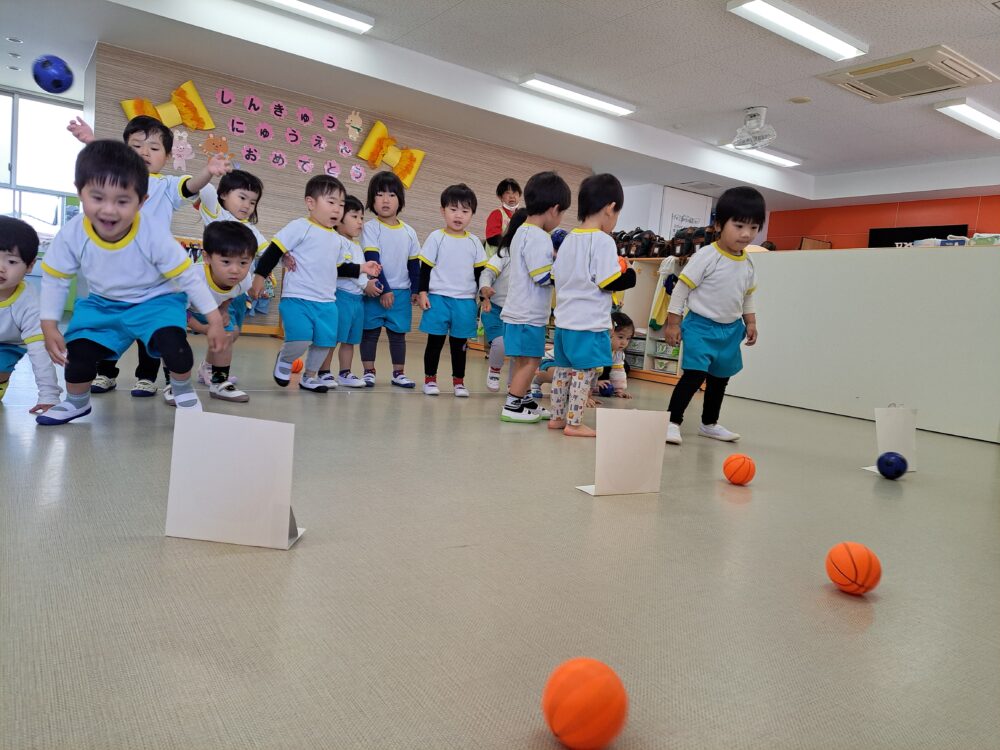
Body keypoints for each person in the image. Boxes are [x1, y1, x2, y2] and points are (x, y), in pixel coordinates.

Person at [37, 140, 225, 425]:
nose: (109, 211)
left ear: (142, 201)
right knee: (78, 353)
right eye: (97, 198)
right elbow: (56, 277)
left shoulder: (152, 233)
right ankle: (76, 402)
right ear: (80, 191)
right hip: (102, 305)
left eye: (122, 201)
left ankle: (182, 388)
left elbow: (187, 276)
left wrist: (214, 319)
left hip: (155, 301)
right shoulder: (73, 232)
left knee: (175, 348)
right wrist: (49, 323)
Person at [67, 115, 229, 397]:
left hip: (153, 280)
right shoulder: (118, 178)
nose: (144, 152)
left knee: (152, 331)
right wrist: (90, 140)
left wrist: (208, 171)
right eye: (136, 146)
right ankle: (106, 374)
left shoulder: (166, 185)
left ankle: (146, 377)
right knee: (108, 328)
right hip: (114, 275)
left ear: (167, 157)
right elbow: (104, 160)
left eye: (154, 148)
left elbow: (191, 186)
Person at [249, 175, 380, 394]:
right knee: (300, 339)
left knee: (325, 342)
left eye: (341, 204)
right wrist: (259, 278)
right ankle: (285, 358)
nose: (337, 209)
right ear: (310, 203)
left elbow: (338, 268)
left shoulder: (337, 239)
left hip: (327, 302)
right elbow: (274, 251)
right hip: (297, 298)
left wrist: (362, 268)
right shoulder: (300, 227)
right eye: (331, 202)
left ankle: (309, 377)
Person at [663, 186, 763, 445]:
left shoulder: (748, 263)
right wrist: (673, 323)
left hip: (730, 330)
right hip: (700, 326)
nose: (746, 234)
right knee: (694, 375)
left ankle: (709, 424)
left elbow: (747, 295)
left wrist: (751, 322)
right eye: (739, 225)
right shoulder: (707, 256)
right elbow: (682, 288)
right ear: (719, 225)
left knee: (720, 379)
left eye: (753, 227)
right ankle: (672, 422)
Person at [548, 174, 636, 437]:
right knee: (584, 373)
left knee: (563, 371)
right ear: (610, 208)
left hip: (564, 323)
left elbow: (555, 276)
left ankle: (557, 418)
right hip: (588, 324)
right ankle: (574, 423)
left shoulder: (569, 239)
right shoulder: (603, 241)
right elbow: (609, 281)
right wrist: (630, 273)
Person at [498, 172, 571, 423]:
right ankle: (512, 405)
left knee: (524, 360)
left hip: (519, 312)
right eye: (562, 214)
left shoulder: (522, 231)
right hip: (527, 315)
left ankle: (524, 400)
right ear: (554, 209)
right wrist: (564, 268)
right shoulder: (539, 237)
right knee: (531, 361)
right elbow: (542, 277)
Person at [194, 169, 268, 385]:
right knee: (224, 332)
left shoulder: (250, 230)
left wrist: (286, 256)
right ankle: (216, 375)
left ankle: (209, 367)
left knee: (232, 333)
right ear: (224, 194)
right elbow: (205, 188)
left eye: (252, 202)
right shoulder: (216, 213)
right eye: (242, 197)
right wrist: (211, 170)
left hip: (235, 290)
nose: (247, 205)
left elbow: (267, 251)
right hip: (210, 286)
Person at [175, 221, 258, 404]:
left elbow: (231, 294)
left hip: (211, 309)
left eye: (243, 262)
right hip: (182, 310)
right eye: (226, 262)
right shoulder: (193, 278)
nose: (235, 270)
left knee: (228, 334)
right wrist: (204, 328)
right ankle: (174, 383)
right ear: (207, 257)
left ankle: (219, 382)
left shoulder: (244, 280)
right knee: (174, 338)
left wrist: (223, 309)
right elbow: (180, 311)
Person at [416, 184, 486, 397]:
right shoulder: (436, 237)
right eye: (453, 209)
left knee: (460, 345)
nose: (458, 215)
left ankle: (459, 382)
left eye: (465, 211)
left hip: (465, 302)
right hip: (438, 299)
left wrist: (484, 297)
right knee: (435, 343)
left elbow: (480, 273)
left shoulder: (474, 242)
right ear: (442, 211)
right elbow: (425, 268)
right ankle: (429, 380)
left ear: (472, 214)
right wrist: (422, 292)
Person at [358, 172, 420, 388]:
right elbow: (372, 259)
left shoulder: (409, 232)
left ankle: (398, 373)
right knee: (370, 333)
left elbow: (414, 265)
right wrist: (384, 289)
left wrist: (416, 290)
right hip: (376, 289)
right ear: (371, 200)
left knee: (398, 335)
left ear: (399, 200)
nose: (385, 200)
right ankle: (368, 371)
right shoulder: (370, 227)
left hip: (401, 293)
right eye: (380, 194)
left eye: (392, 195)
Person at [0, 217, 61, 414]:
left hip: (9, 344)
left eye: (11, 261)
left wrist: (49, 395)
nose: (1, 268)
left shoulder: (30, 303)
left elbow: (39, 351)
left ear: (30, 265)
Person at [317, 194, 368, 388]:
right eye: (354, 217)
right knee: (333, 338)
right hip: (341, 297)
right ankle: (323, 372)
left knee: (350, 340)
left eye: (362, 217)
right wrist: (366, 284)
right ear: (339, 220)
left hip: (358, 300)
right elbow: (342, 270)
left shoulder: (357, 245)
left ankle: (345, 372)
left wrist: (368, 283)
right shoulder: (336, 241)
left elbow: (361, 271)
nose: (360, 222)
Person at [478, 233, 511, 392]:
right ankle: (494, 370)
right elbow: (487, 273)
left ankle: (514, 384)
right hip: (494, 309)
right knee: (500, 343)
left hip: (517, 313)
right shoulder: (504, 253)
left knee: (519, 353)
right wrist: (485, 290)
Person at [596, 311, 635, 399]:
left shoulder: (618, 353)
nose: (624, 342)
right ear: (609, 332)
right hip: (578, 376)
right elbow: (586, 370)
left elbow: (618, 371)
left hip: (598, 375)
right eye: (620, 337)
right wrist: (595, 383)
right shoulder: (597, 349)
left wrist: (619, 390)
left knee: (624, 367)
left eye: (628, 338)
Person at [484, 178, 521, 254]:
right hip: (494, 258)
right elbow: (492, 239)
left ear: (519, 196)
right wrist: (513, 243)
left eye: (515, 193)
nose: (512, 196)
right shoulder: (496, 213)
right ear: (500, 197)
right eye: (507, 193)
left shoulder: (523, 216)